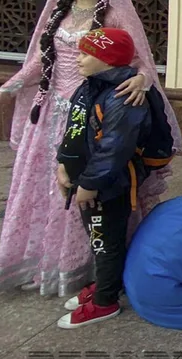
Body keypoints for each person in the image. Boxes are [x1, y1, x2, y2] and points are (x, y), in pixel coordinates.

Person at [0, 0, 182, 299]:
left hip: (93, 113)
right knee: (46, 190)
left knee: (91, 191)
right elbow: (41, 60)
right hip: (52, 114)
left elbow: (139, 60)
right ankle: (50, 265)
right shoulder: (59, 10)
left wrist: (141, 79)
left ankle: (94, 272)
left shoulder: (114, 14)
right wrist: (10, 88)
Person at [54, 27, 154, 328]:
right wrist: (63, 165)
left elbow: (114, 147)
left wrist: (90, 183)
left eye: (87, 54)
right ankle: (107, 283)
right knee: (98, 237)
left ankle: (105, 301)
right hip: (88, 178)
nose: (78, 59)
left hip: (108, 185)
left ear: (107, 60)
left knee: (104, 240)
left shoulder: (123, 96)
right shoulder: (90, 86)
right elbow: (74, 130)